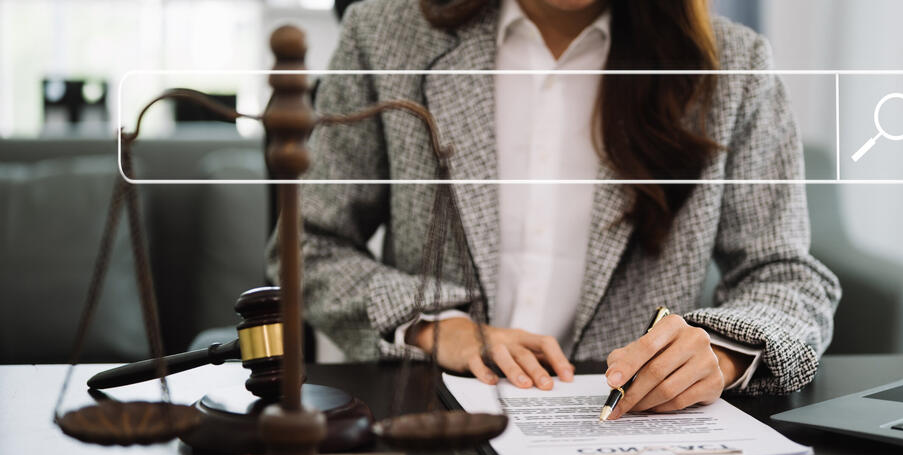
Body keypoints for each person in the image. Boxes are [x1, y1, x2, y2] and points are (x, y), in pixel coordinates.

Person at [270, 0, 841, 420]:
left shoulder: (733, 66)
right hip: (438, 422)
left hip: (639, 435)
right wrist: (438, 327)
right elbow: (308, 246)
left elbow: (786, 278)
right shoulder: (383, 35)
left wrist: (721, 351)